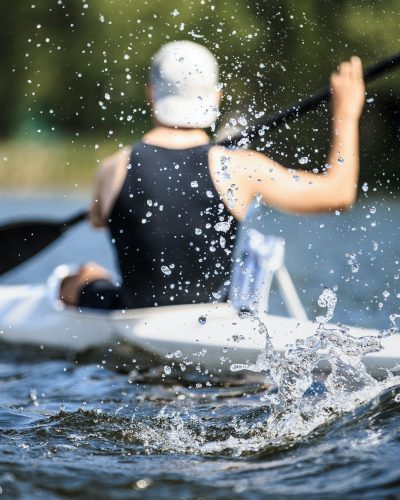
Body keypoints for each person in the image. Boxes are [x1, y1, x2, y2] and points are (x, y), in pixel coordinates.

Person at [60, 40, 365, 310]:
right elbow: (339, 193)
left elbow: (98, 219)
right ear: (216, 97)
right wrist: (346, 115)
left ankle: (82, 279)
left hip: (132, 314)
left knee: (74, 282)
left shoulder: (113, 167)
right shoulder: (239, 168)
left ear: (151, 94)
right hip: (210, 326)